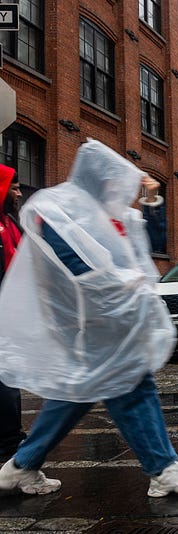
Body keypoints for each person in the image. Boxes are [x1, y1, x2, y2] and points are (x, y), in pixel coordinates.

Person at [0, 140, 178, 498]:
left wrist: (152, 201)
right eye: (113, 181)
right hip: (86, 320)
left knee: (79, 392)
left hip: (111, 317)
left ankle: (21, 466)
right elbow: (73, 262)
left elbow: (151, 244)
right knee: (131, 384)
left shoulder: (109, 215)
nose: (119, 189)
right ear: (98, 178)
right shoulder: (57, 207)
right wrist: (122, 282)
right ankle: (163, 469)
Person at [0, 164, 25, 464]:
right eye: (14, 187)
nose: (19, 192)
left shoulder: (10, 223)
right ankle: (9, 440)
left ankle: (11, 436)